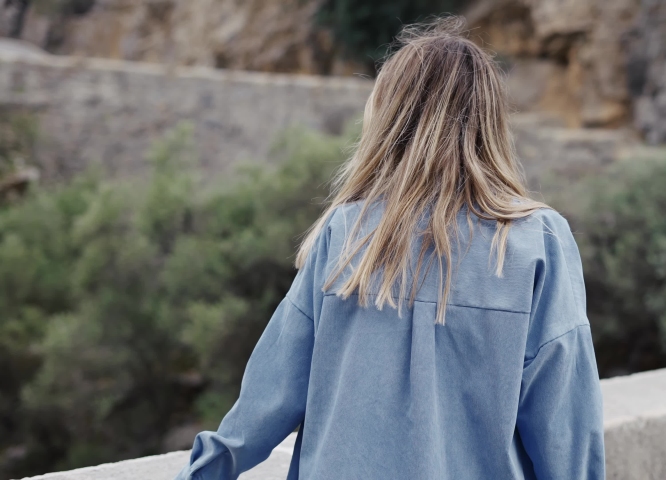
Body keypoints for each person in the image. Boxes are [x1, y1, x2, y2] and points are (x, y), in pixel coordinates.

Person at [175, 17, 604, 480]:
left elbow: (263, 405)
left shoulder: (347, 233)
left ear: (389, 117)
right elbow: (566, 430)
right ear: (492, 121)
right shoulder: (537, 243)